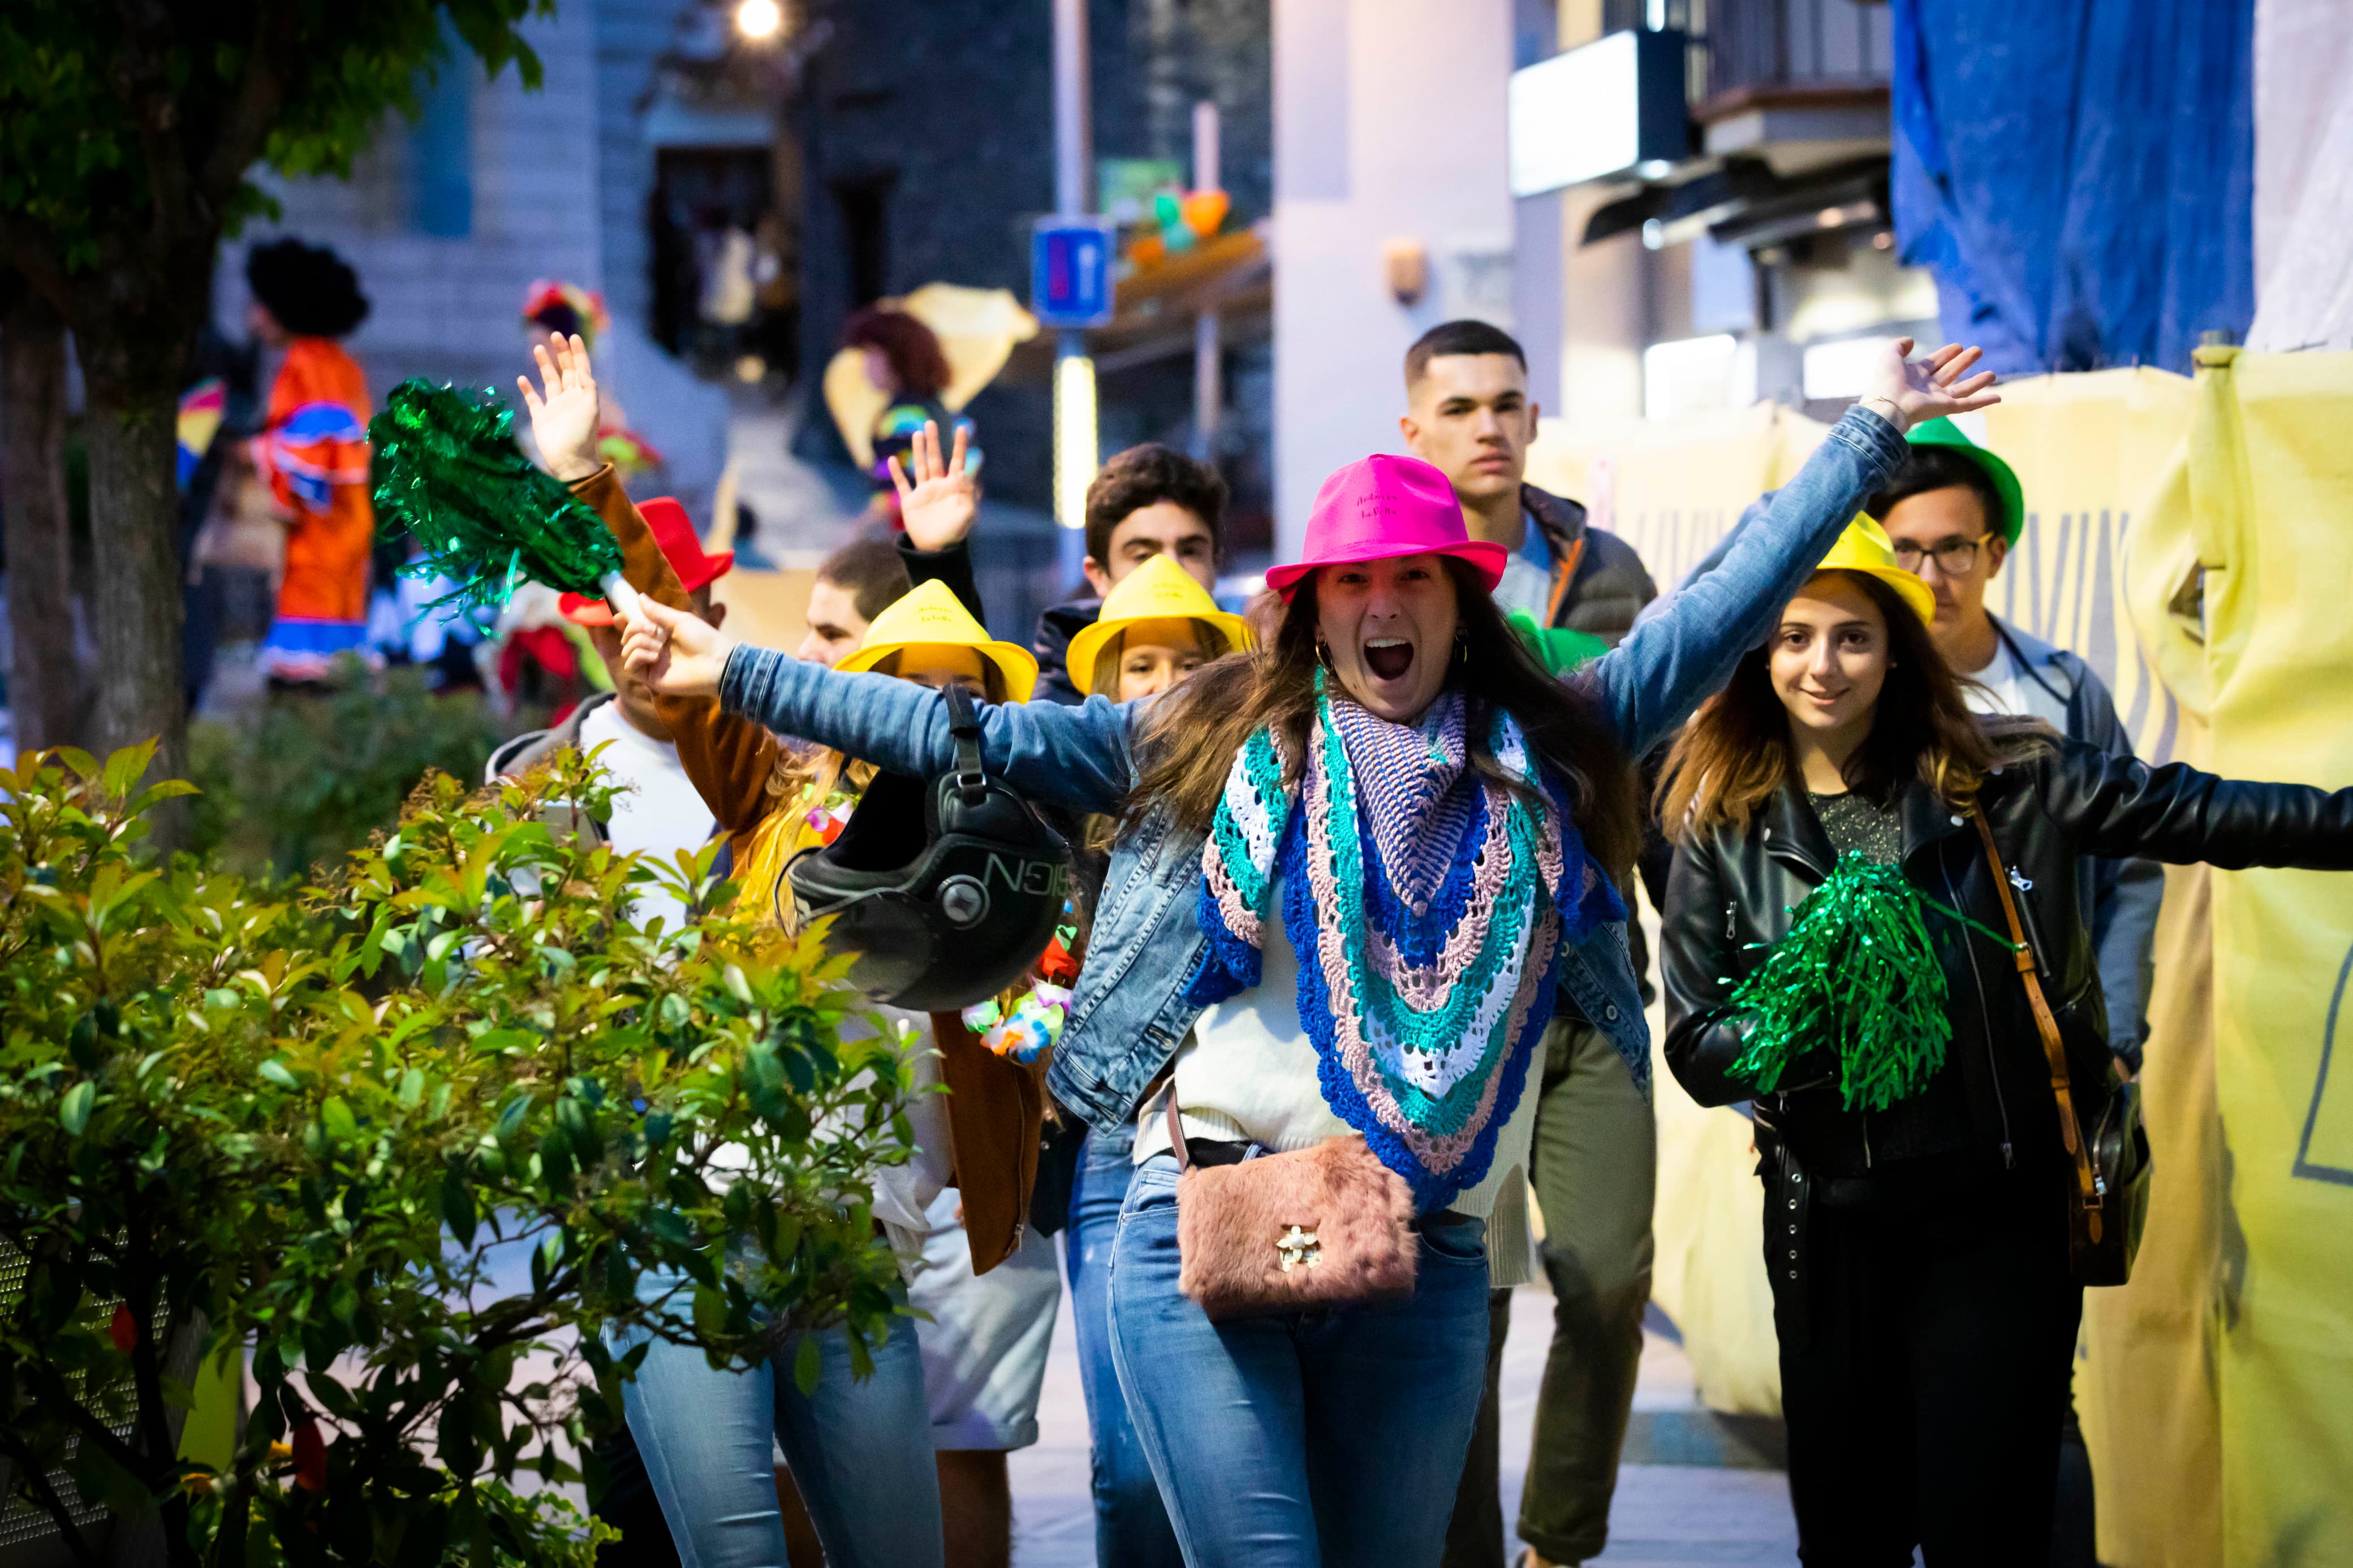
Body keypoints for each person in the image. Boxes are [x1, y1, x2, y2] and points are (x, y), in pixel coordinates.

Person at [616, 339, 1998, 1567]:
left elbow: (1723, 605)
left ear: (1460, 600)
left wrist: (1866, 435)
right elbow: (961, 733)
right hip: (1191, 1218)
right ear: (1315, 606)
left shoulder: (1558, 746)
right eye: (1354, 582)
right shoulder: (1205, 740)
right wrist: (731, 674)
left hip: (1420, 1245)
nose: (1382, 605)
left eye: (1413, 578)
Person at [1654, 518, 2353, 1565]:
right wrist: (1828, 1013)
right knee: (1850, 1533)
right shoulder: (1725, 816)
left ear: (1897, 647)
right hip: (1829, 1218)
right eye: (1794, 637)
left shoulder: (2012, 774)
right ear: (1761, 650)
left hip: (2000, 1208)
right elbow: (1698, 1041)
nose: (1821, 665)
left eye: (1852, 636)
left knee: (1990, 1525)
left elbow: (2205, 812)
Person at [519, 338, 1043, 1568]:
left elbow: (955, 685)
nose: (920, 707)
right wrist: (590, 475)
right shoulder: (774, 793)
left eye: (947, 693)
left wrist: (939, 562)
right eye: (890, 684)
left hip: (855, 1257)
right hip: (693, 1225)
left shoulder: (1000, 849)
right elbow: (679, 656)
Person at [1400, 319, 1660, 1568]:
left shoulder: (1604, 571)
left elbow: (1662, 775)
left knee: (1606, 1276)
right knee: (1467, 1304)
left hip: (1595, 984)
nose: (1486, 426)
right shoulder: (1389, 570)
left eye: (1506, 402)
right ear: (1415, 430)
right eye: (1458, 408)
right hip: (1445, 997)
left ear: (1536, 418)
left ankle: (1558, 1545)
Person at [245, 238, 376, 688]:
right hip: (350, 534)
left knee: (304, 684)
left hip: (316, 542)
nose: (253, 317)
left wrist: (252, 453)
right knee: (340, 680)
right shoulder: (344, 366)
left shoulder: (304, 365)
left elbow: (308, 458)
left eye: (259, 305)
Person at [1031, 443, 1229, 704]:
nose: (1169, 569)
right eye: (1143, 556)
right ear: (1099, 575)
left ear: (1216, 565)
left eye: (1190, 551)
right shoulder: (1049, 731)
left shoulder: (1257, 697)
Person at [842, 308, 976, 524]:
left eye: (871, 354)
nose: (865, 367)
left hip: (912, 541)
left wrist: (854, 536)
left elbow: (893, 495)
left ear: (897, 359)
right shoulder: (949, 412)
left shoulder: (900, 418)